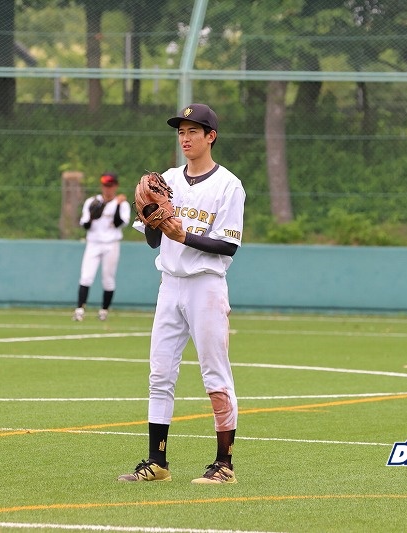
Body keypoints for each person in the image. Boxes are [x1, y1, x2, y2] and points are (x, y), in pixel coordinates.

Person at [118, 103, 245, 484]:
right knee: (160, 373)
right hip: (169, 285)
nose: (185, 138)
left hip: (206, 286)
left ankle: (224, 464)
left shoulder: (228, 185)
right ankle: (157, 462)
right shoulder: (168, 179)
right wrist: (151, 216)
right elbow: (153, 241)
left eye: (193, 131)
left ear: (211, 136)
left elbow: (229, 245)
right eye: (180, 132)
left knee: (215, 376)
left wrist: (183, 235)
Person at [73, 172, 131, 321]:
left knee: (108, 278)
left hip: (111, 244)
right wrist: (92, 216)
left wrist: (117, 205)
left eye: (110, 185)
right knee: (86, 276)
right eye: (105, 185)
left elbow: (118, 223)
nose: (107, 188)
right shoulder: (92, 202)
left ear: (116, 186)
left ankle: (104, 311)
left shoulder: (122, 204)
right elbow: (85, 225)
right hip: (93, 243)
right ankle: (79, 310)